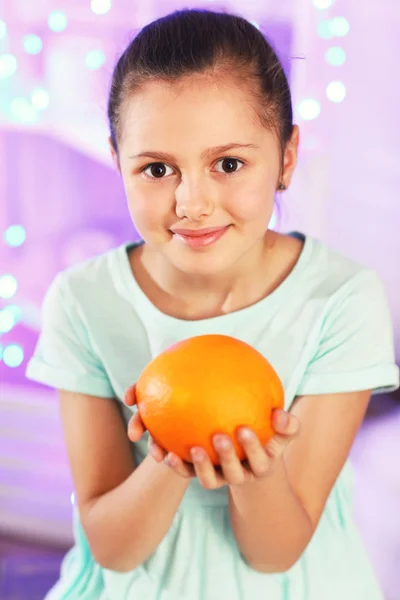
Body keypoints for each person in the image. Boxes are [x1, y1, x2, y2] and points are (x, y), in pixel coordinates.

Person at [26, 9, 399, 600]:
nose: (192, 202)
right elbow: (113, 549)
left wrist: (259, 469)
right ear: (117, 160)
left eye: (229, 164)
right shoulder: (84, 299)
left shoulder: (341, 299)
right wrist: (166, 458)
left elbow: (275, 552)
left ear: (286, 157)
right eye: (156, 168)